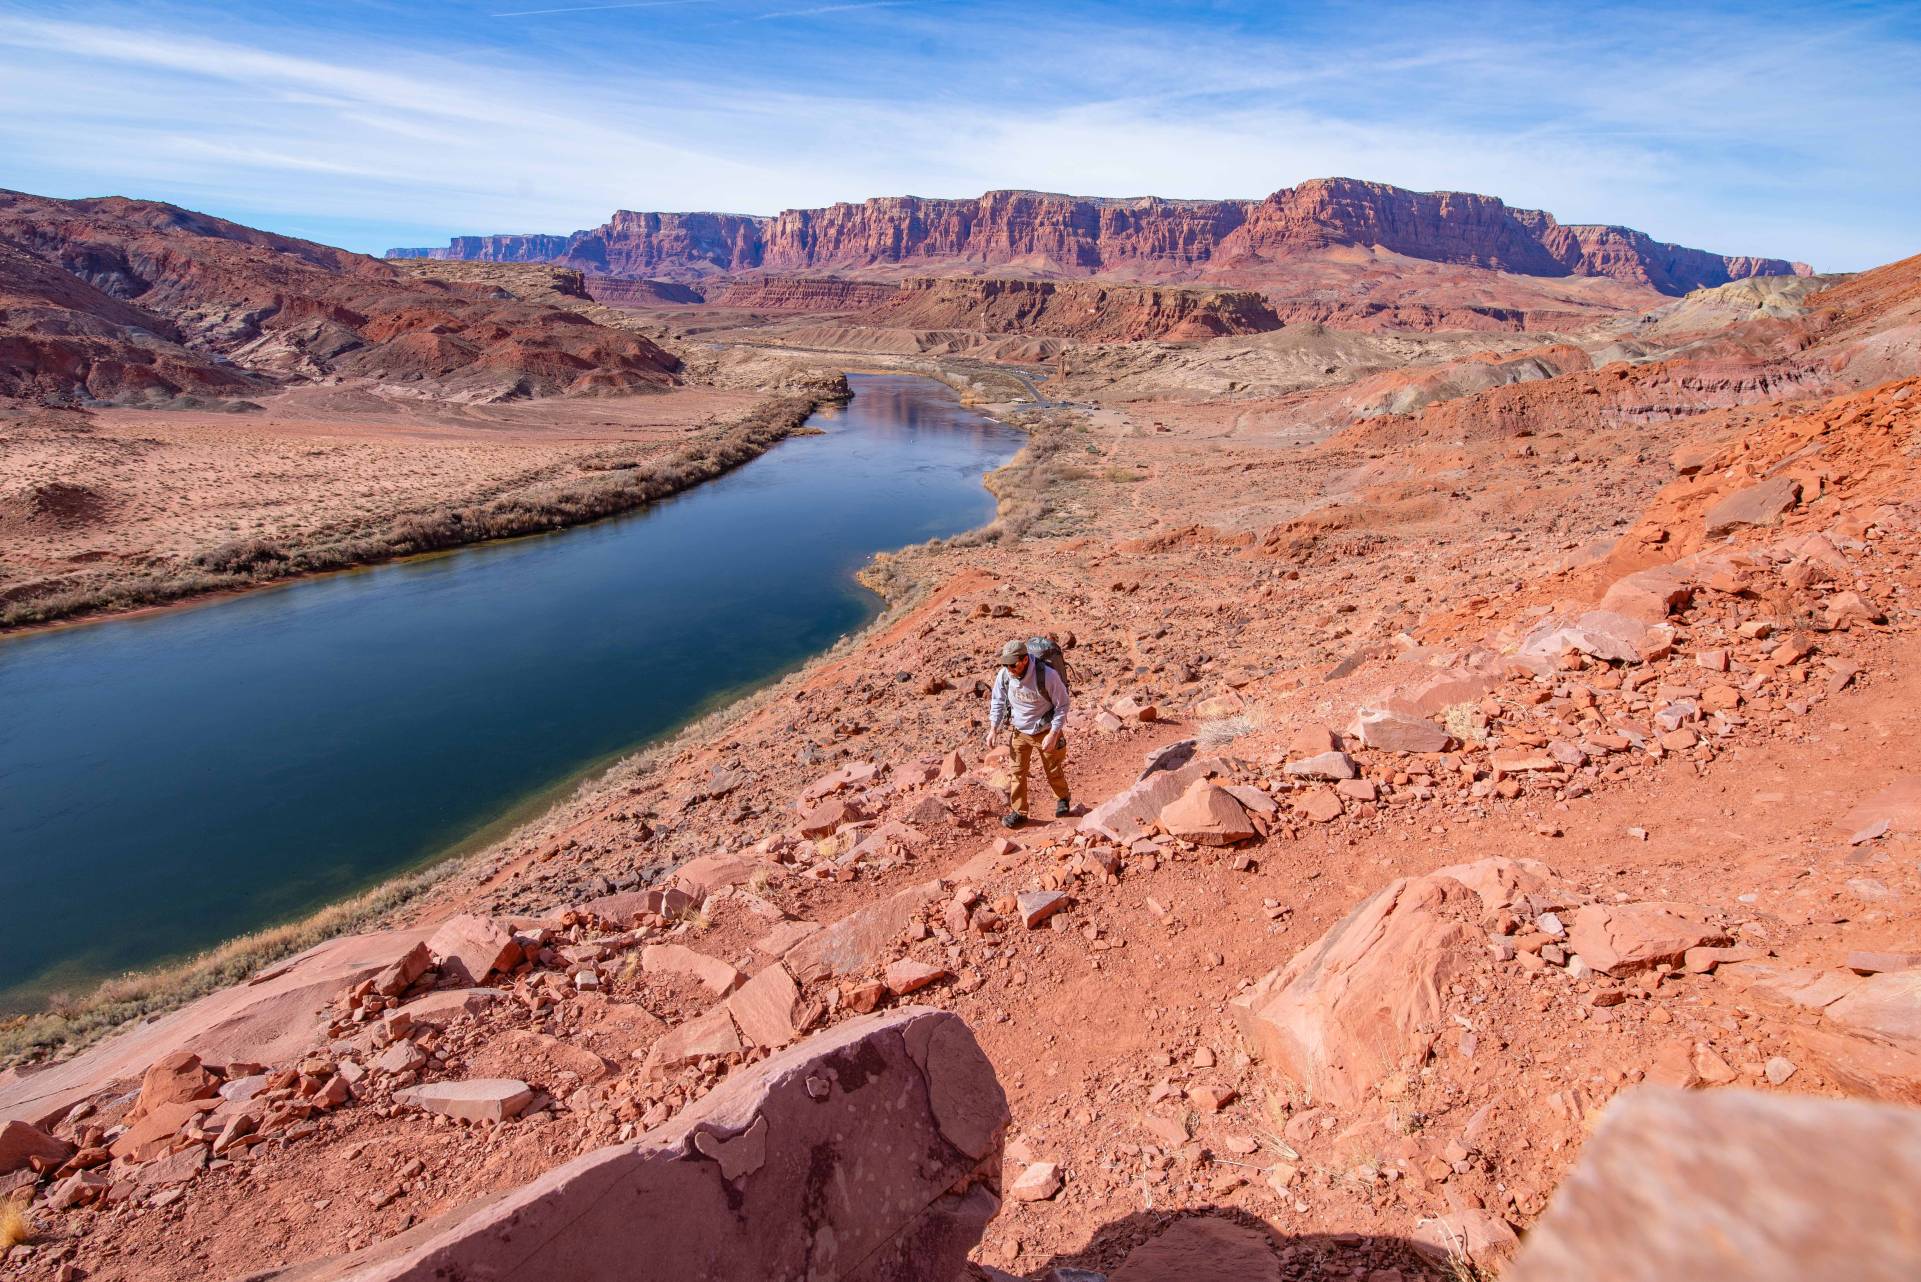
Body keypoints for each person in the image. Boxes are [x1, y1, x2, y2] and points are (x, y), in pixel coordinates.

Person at [985, 637, 1071, 828]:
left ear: (1025, 660)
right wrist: (993, 729)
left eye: (1013, 665)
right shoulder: (1005, 675)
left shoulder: (1047, 675)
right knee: (1017, 772)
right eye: (1005, 665)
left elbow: (1063, 705)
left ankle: (1062, 798)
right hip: (1020, 731)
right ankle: (1019, 812)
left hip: (1045, 730)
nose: (1009, 669)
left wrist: (1054, 733)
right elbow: (997, 701)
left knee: (1053, 768)